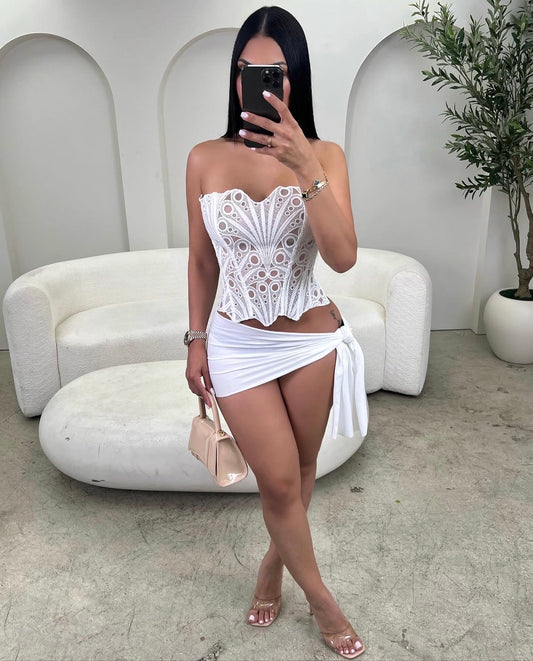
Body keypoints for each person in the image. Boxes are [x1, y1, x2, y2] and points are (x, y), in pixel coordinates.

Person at [185, 6, 368, 659]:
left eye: (275, 72)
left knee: (304, 466)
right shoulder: (204, 159)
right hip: (237, 342)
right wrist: (195, 338)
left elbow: (342, 257)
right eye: (246, 70)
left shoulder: (325, 157)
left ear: (297, 80)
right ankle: (322, 601)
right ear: (235, 77)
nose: (258, 83)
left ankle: (272, 565)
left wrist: (304, 166)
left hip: (310, 341)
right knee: (280, 483)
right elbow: (201, 260)